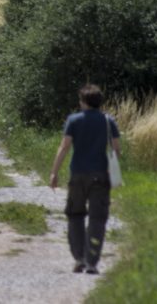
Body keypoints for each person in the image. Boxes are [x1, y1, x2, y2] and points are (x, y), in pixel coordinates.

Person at [49, 84, 121, 275]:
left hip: (78, 174)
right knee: (98, 218)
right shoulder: (108, 121)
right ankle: (92, 261)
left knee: (75, 215)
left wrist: (54, 172)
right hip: (100, 175)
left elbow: (64, 147)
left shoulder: (74, 120)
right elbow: (116, 149)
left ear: (83, 102)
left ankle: (79, 257)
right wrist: (110, 169)